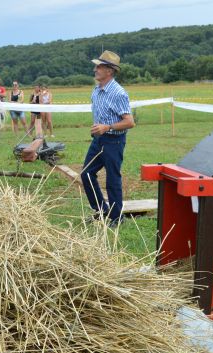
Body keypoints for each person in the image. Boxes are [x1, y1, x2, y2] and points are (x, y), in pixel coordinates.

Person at [80, 50, 135, 226]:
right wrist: (98, 129)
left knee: (112, 179)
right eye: (96, 66)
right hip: (98, 140)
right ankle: (102, 210)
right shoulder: (96, 90)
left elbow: (130, 122)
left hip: (114, 141)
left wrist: (107, 127)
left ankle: (117, 218)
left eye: (99, 66)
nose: (95, 69)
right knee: (86, 174)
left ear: (109, 71)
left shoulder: (118, 93)